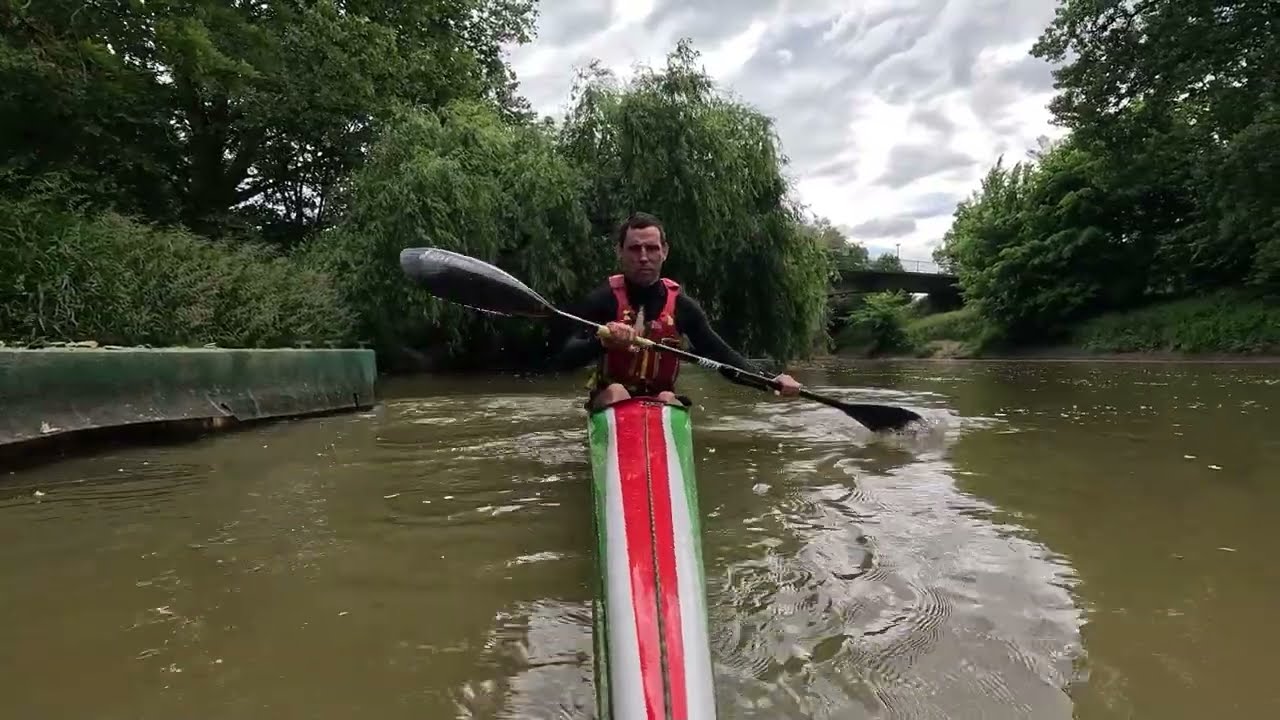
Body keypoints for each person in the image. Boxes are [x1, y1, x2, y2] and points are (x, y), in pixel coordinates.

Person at [552, 211, 802, 411]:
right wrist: (602, 342)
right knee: (618, 393)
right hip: (611, 400)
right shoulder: (602, 300)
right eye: (634, 248)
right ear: (619, 252)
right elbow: (563, 359)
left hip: (662, 402)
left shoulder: (684, 308)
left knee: (668, 398)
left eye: (651, 248)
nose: (643, 257)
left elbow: (724, 357)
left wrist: (771, 381)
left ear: (664, 252)